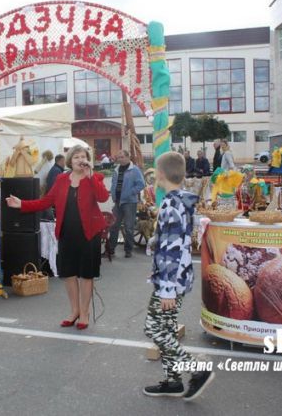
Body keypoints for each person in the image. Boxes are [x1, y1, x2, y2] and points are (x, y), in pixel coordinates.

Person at [6, 145, 109, 330]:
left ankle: (85, 313)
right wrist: (22, 203)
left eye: (83, 157)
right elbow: (47, 201)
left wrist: (90, 175)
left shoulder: (95, 177)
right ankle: (74, 310)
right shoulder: (61, 179)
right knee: (69, 274)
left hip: (89, 234)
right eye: (76, 157)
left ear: (87, 160)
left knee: (86, 275)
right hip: (67, 233)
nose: (79, 160)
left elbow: (102, 197)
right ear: (70, 160)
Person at [143, 152, 214, 400]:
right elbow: (175, 240)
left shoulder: (172, 204)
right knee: (167, 329)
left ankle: (196, 369)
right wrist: (155, 240)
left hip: (170, 282)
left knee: (154, 329)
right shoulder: (180, 201)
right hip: (177, 278)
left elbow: (172, 252)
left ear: (160, 174)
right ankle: (173, 381)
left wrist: (166, 290)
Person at [108, 150, 145, 258]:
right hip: (117, 202)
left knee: (129, 227)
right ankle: (111, 249)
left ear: (128, 157)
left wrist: (130, 193)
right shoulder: (116, 170)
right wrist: (113, 194)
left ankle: (128, 250)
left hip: (129, 202)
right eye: (118, 157)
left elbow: (141, 184)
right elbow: (114, 184)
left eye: (122, 157)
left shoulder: (134, 170)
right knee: (114, 226)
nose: (120, 159)